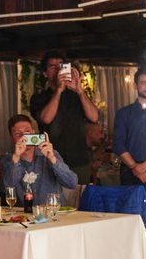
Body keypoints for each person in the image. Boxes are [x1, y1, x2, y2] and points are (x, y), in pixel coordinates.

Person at [30, 50, 100, 185]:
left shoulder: (76, 95)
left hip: (79, 160)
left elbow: (94, 117)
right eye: (53, 67)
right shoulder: (39, 98)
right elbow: (46, 119)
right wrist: (58, 91)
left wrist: (79, 90)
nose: (58, 70)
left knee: (80, 197)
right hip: (51, 160)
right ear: (45, 73)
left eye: (61, 66)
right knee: (52, 197)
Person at [113, 68, 146, 224]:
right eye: (144, 83)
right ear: (135, 86)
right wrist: (135, 167)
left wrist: (144, 166)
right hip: (130, 172)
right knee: (131, 216)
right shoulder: (123, 113)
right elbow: (119, 145)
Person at [0, 114, 79, 206]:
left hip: (55, 211)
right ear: (11, 138)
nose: (24, 137)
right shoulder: (7, 160)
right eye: (18, 134)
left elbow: (72, 183)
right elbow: (7, 188)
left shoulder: (50, 153)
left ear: (33, 132)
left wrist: (52, 159)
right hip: (27, 213)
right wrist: (16, 158)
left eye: (27, 132)